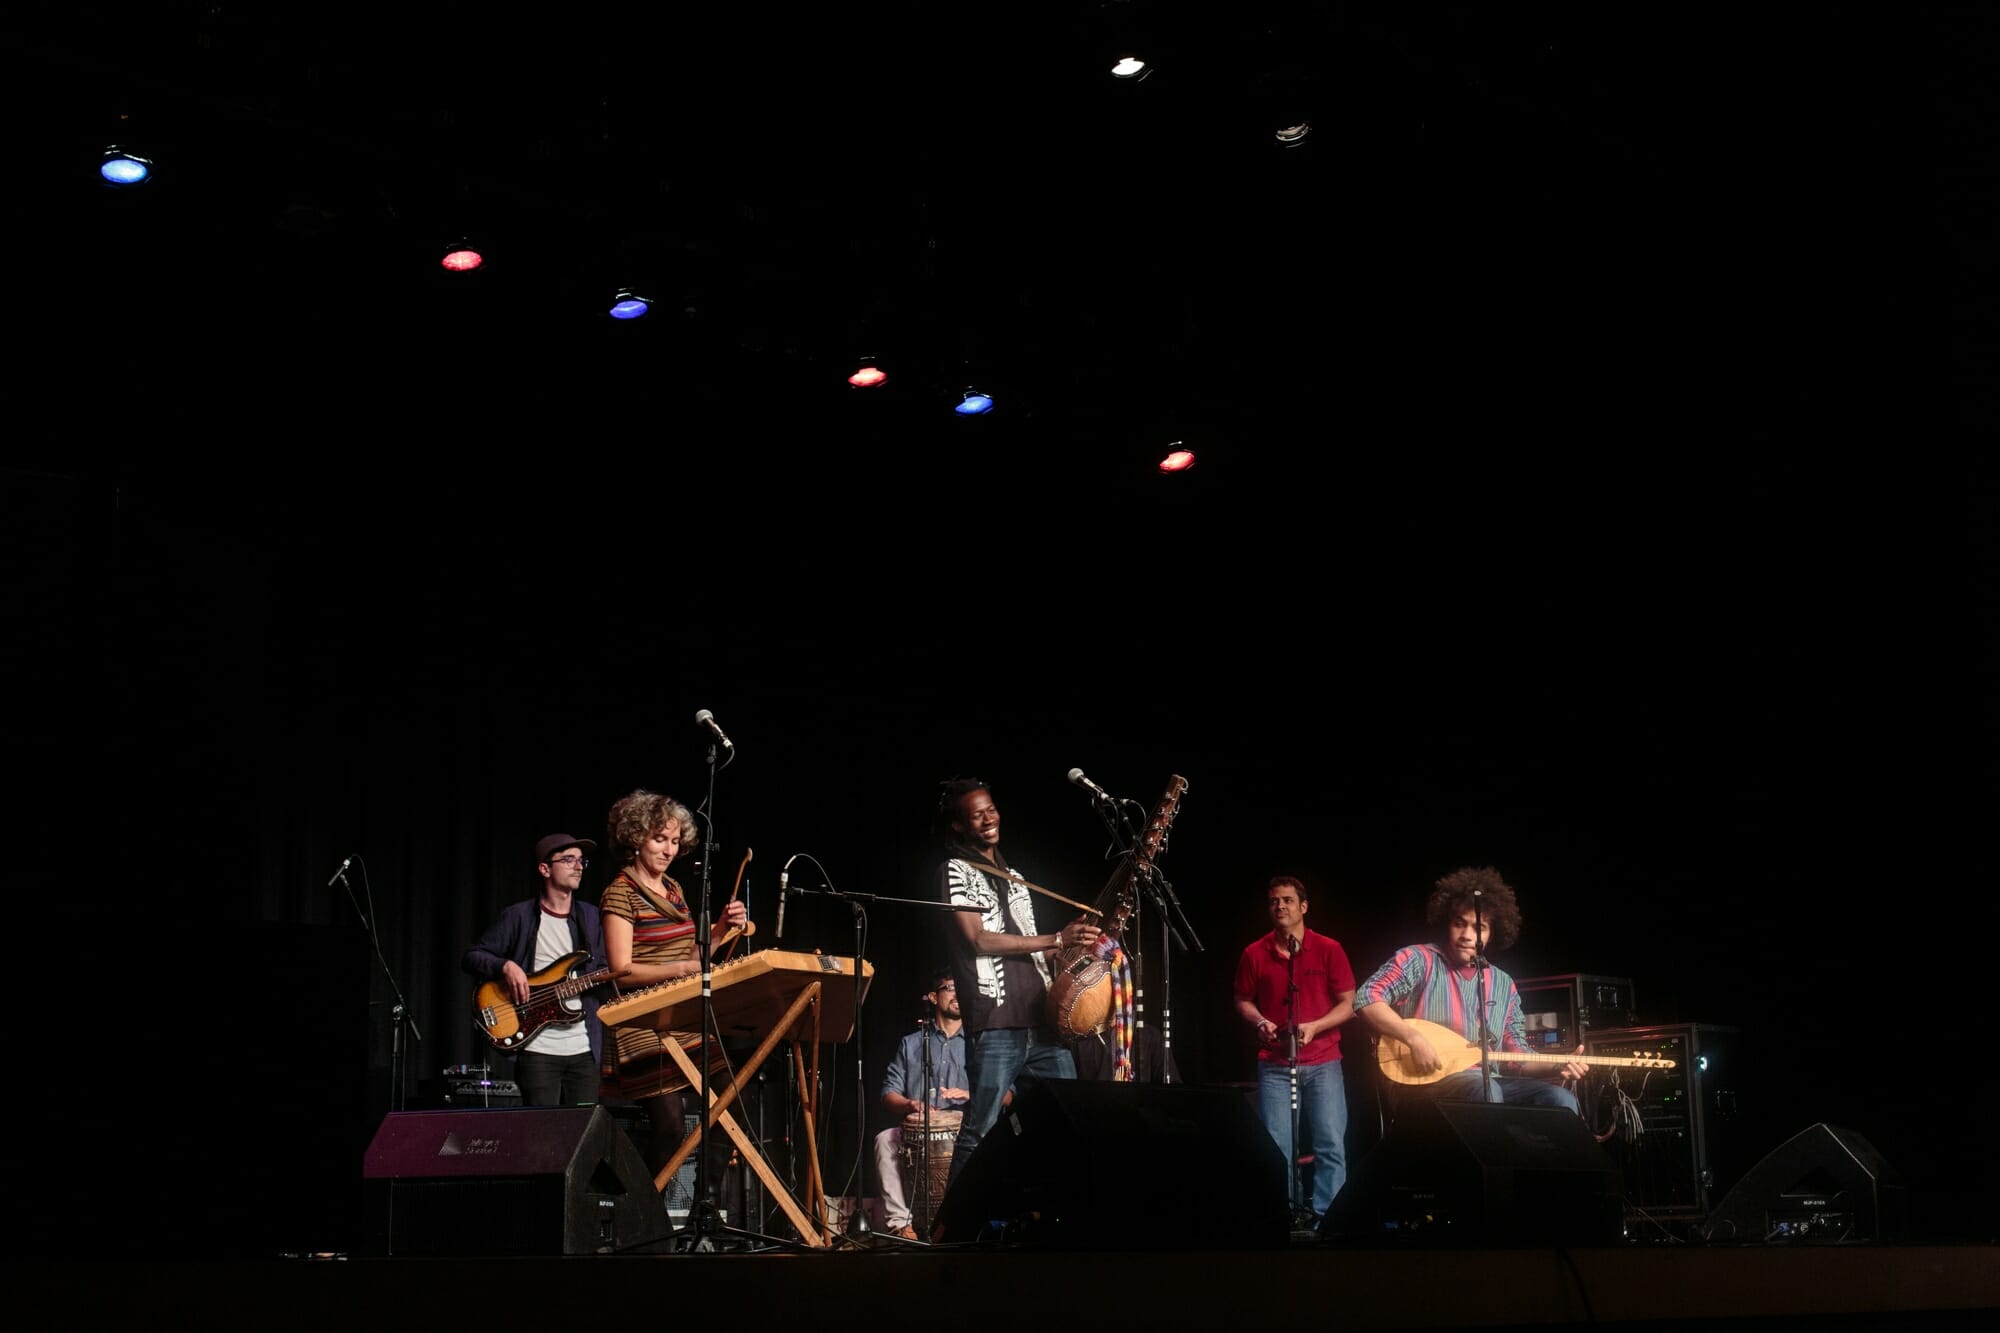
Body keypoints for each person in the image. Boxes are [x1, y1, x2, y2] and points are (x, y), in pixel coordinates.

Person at [937, 777, 1099, 1192]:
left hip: (1042, 1022)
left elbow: (1034, 948)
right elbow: (978, 939)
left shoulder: (1016, 877)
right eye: (976, 814)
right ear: (959, 825)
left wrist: (1072, 945)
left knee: (1064, 1118)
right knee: (981, 1128)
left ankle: (1047, 1212)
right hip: (996, 1022)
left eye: (991, 809)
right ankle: (951, 1223)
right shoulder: (954, 870)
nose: (988, 818)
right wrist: (1056, 937)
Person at [598, 789, 749, 1186]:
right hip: (643, 1024)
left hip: (683, 1019)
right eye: (659, 839)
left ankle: (706, 1202)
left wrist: (721, 929)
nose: (668, 849)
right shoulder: (621, 893)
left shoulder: (674, 889)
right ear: (635, 838)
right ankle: (641, 1209)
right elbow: (620, 973)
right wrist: (683, 968)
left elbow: (695, 958)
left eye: (675, 841)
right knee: (670, 1127)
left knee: (730, 1105)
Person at [1354, 865, 1588, 1111]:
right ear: (1447, 924)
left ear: (1491, 934)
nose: (1467, 935)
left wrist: (1557, 1064)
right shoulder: (1419, 960)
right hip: (1424, 1082)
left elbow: (1519, 1056)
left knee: (1560, 1100)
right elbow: (1367, 997)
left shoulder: (1503, 983)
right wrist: (1413, 1038)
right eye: (1459, 924)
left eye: (1479, 928)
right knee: (1486, 1090)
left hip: (1489, 1081)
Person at [1232, 874, 1357, 1224]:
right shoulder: (1254, 953)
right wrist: (1259, 1020)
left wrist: (1315, 1026)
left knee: (1330, 1142)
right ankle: (1287, 1215)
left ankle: (1328, 1219)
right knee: (1277, 1147)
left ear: (1303, 907)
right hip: (1275, 1063)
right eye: (1274, 901)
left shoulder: (1329, 948)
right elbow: (1242, 999)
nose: (1280, 906)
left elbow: (1350, 1004)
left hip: (1323, 1060)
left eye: (1287, 900)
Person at [461, 832, 611, 1107]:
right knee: (542, 1130)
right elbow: (472, 957)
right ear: (544, 869)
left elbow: (602, 968)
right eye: (568, 860)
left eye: (581, 861)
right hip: (537, 1049)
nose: (578, 866)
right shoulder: (518, 916)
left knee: (583, 1130)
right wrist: (506, 966)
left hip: (584, 1049)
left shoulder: (590, 916)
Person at [873, 970, 971, 1240]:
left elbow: (1006, 1093)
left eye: (961, 988)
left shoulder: (978, 1043)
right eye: (950, 988)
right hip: (917, 1132)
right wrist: (910, 1103)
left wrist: (969, 1094)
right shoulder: (912, 1044)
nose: (957, 994)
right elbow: (888, 1093)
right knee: (885, 1140)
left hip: (964, 1129)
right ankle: (901, 1225)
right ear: (933, 997)